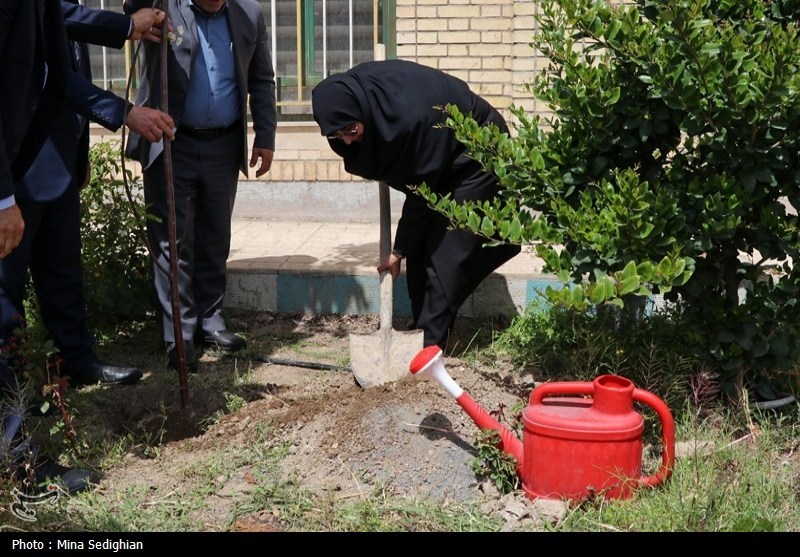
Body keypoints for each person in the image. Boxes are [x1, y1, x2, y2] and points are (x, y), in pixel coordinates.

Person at [0, 0, 175, 495]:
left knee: (58, 273)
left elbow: (55, 74)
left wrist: (119, 114)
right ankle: (18, 464)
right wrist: (2, 197)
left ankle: (27, 431)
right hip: (14, 172)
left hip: (42, 159)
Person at [312, 59, 521, 350]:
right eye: (336, 135)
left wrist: (398, 251)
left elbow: (421, 193)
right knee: (420, 249)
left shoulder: (410, 118)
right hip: (439, 159)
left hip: (477, 155)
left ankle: (430, 347)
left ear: (360, 111)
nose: (347, 141)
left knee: (445, 255)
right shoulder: (361, 97)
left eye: (351, 129)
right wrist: (406, 249)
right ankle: (423, 329)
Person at [123, 0, 277, 372]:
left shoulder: (249, 13)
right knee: (173, 240)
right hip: (171, 141)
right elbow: (131, 7)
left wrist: (265, 135)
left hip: (223, 143)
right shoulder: (163, 6)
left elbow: (261, 78)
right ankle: (179, 333)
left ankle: (211, 320)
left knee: (215, 234)